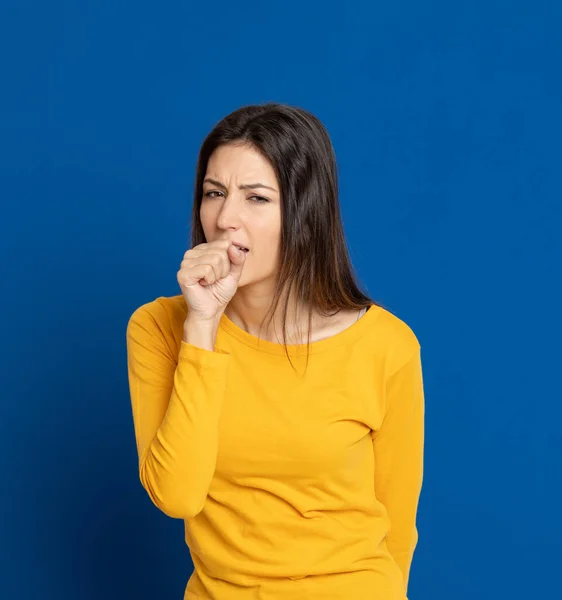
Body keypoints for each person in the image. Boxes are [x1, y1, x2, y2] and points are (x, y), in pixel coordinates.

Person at [126, 102, 425, 600]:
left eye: (257, 198)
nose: (225, 220)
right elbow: (178, 494)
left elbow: (397, 529)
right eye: (213, 194)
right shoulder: (159, 328)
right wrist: (202, 323)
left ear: (305, 213)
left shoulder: (386, 345)